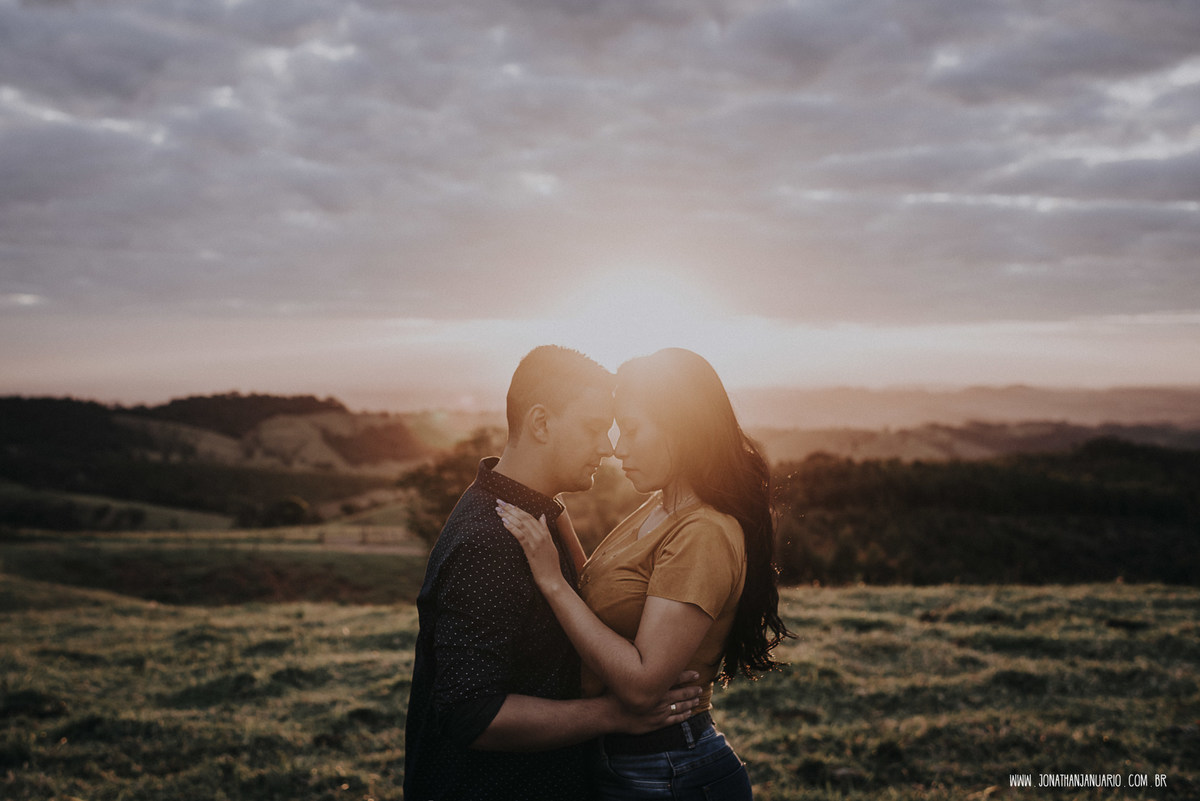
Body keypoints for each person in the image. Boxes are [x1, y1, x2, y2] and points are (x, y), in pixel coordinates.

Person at [404, 345, 702, 801]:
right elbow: (472, 714)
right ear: (541, 423)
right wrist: (614, 715)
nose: (607, 447)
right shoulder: (490, 541)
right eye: (593, 428)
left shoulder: (538, 515)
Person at [497, 347, 793, 800]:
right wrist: (552, 510)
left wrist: (552, 582)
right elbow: (604, 587)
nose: (617, 447)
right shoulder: (660, 506)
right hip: (632, 765)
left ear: (682, 432)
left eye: (632, 430)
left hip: (670, 771)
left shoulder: (704, 532)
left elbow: (640, 686)